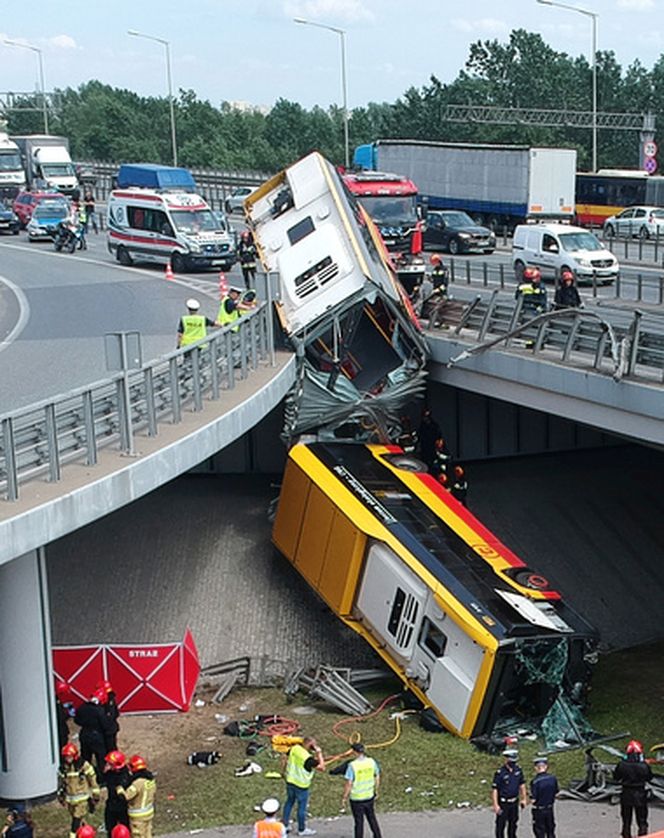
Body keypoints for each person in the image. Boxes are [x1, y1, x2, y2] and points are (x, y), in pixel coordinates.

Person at [281, 736, 325, 837]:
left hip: (290, 780)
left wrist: (283, 771)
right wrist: (319, 753)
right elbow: (322, 767)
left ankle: (285, 824)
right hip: (301, 785)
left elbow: (284, 757)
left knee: (289, 802)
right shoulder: (308, 759)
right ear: (310, 745)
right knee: (302, 807)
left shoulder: (295, 748)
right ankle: (302, 829)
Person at [58, 742, 100, 838]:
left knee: (75, 821)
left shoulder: (83, 765)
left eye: (69, 757)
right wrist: (61, 796)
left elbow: (92, 779)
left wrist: (95, 795)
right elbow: (61, 783)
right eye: (66, 757)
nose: (67, 759)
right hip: (70, 800)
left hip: (82, 800)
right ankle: (86, 833)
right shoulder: (64, 768)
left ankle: (73, 835)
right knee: (77, 818)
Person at [341, 742, 382, 838]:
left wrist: (344, 797)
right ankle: (378, 836)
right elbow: (377, 776)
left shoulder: (352, 765)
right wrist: (376, 790)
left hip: (356, 798)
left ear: (354, 752)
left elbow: (349, 783)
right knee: (372, 818)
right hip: (369, 795)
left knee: (359, 822)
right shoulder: (371, 762)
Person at [614, 739, 652, 838]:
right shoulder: (644, 765)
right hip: (640, 794)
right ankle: (643, 835)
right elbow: (649, 778)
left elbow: (616, 777)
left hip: (626, 793)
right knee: (642, 820)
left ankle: (626, 835)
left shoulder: (622, 764)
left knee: (626, 820)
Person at [74, 689, 113, 779]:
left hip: (84, 734)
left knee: (85, 757)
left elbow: (76, 720)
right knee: (100, 758)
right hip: (96, 736)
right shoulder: (99, 710)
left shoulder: (82, 707)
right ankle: (102, 778)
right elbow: (105, 725)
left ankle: (84, 775)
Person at [117, 754, 156, 838]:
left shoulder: (137, 783)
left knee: (138, 835)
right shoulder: (150, 780)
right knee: (148, 834)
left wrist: (119, 788)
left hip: (138, 817)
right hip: (148, 813)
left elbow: (125, 796)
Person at [491, 748, 527, 838]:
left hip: (514, 802)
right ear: (506, 759)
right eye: (511, 760)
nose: (513, 763)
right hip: (503, 803)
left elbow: (522, 784)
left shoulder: (518, 770)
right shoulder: (500, 773)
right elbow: (495, 790)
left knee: (513, 823)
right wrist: (495, 805)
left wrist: (524, 798)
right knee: (500, 825)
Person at [530, 756, 558, 838]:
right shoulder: (552, 778)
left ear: (536, 768)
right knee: (550, 830)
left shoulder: (535, 781)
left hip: (539, 810)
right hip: (549, 808)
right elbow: (556, 792)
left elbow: (533, 799)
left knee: (539, 831)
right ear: (546, 767)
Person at [103, 750, 130, 834]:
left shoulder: (124, 776)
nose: (107, 765)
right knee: (110, 829)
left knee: (124, 830)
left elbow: (120, 791)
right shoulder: (110, 773)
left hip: (122, 806)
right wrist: (105, 773)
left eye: (110, 764)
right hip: (111, 805)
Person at [425, 255, 450, 328]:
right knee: (430, 306)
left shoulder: (444, 270)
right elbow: (433, 280)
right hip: (435, 293)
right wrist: (429, 278)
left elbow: (445, 284)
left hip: (442, 293)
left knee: (436, 308)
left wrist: (438, 289)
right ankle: (436, 321)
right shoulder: (435, 270)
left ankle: (440, 322)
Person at [97, 679, 120, 751]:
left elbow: (111, 715)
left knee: (110, 746)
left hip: (108, 729)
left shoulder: (107, 702)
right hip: (112, 727)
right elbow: (116, 713)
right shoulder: (111, 699)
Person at [418, 408, 442, 472]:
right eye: (424, 417)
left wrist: (438, 445)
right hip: (424, 447)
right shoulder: (422, 426)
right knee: (425, 462)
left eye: (427, 417)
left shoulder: (434, 426)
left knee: (433, 463)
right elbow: (419, 435)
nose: (425, 419)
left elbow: (439, 436)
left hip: (432, 447)